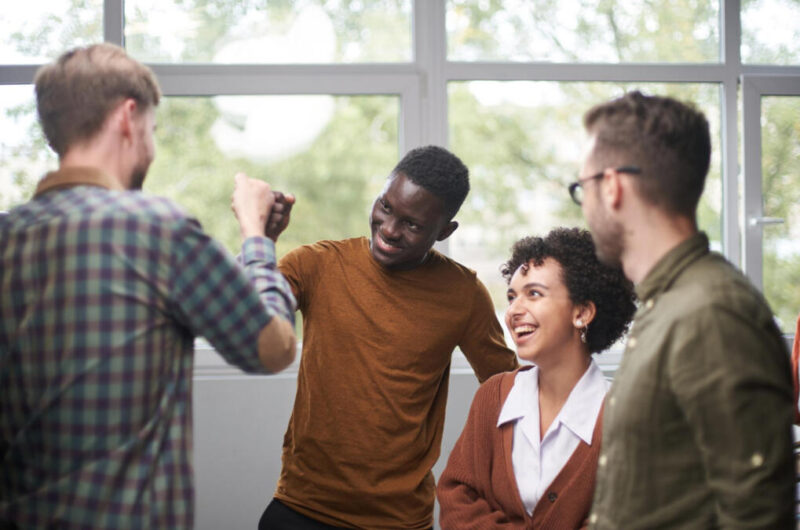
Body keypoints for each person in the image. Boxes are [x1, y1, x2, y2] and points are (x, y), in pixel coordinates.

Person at [0, 43, 297, 528]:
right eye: (152, 131)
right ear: (128, 118)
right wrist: (255, 233)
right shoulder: (157, 228)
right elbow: (273, 347)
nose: (152, 147)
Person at [257, 145, 519, 529]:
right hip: (302, 506)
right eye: (385, 207)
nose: (390, 230)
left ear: (445, 231)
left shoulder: (463, 294)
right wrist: (258, 241)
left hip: (398, 519)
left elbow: (508, 394)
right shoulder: (318, 264)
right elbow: (244, 317)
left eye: (413, 225)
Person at [574, 90, 794, 528]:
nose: (585, 208)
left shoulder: (713, 314)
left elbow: (757, 516)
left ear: (613, 186)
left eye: (584, 188)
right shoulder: (667, 304)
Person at [437, 227, 636, 529]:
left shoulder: (627, 416)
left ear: (582, 313)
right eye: (511, 296)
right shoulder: (493, 397)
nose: (514, 310)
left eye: (534, 294)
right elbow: (457, 496)